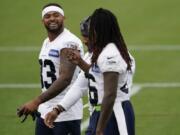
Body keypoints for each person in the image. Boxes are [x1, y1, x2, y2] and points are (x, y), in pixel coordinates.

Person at [44, 8, 135, 135]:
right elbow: (82, 84)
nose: (84, 40)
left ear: (100, 31)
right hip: (97, 113)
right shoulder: (94, 54)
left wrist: (100, 129)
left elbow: (110, 94)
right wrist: (58, 109)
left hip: (113, 113)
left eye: (88, 35)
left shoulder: (111, 54)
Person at [17, 3, 84, 135]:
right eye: (47, 16)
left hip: (65, 112)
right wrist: (41, 104)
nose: (52, 19)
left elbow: (65, 78)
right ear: (43, 21)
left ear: (64, 18)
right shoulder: (47, 42)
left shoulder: (69, 42)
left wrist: (36, 101)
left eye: (56, 15)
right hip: (44, 109)